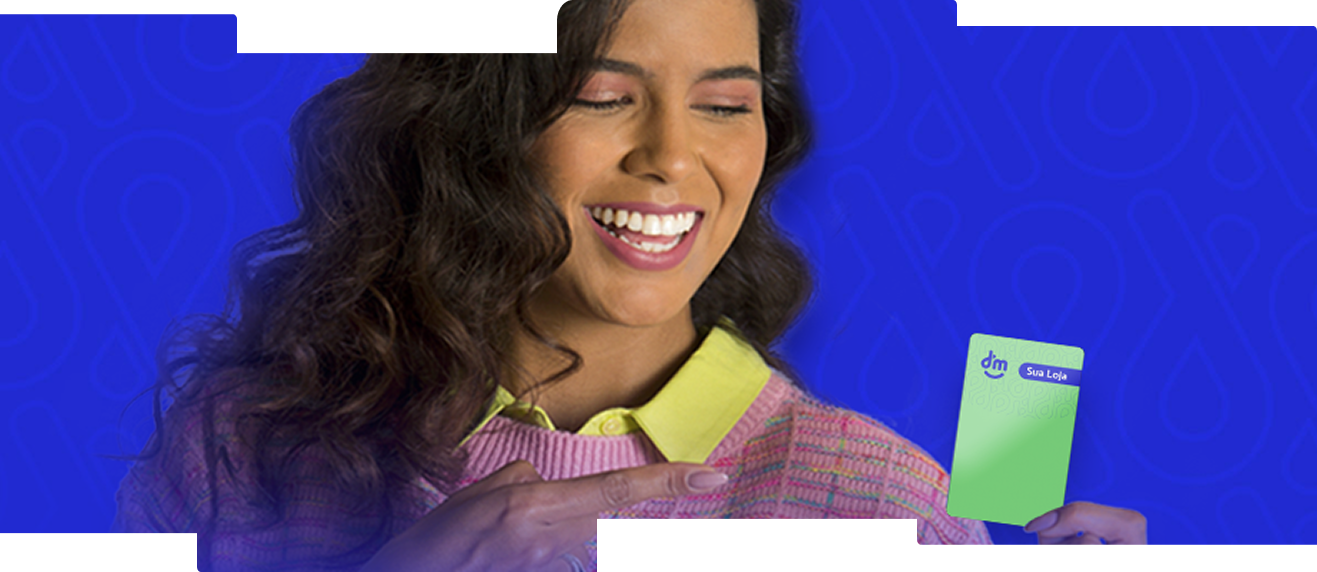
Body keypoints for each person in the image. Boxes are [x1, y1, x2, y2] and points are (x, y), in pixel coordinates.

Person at [106, 1, 1146, 570]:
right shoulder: (244, 448)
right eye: (603, 96)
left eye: (725, 107)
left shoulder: (886, 503)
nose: (673, 157)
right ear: (469, 122)